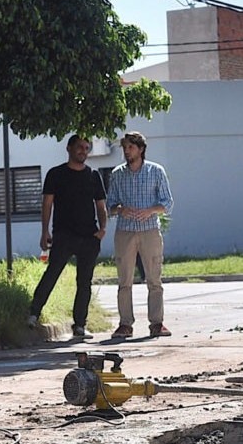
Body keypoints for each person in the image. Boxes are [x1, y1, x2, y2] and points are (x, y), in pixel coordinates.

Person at [27, 135, 108, 339]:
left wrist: (102, 230)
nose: (83, 150)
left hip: (89, 236)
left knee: (85, 282)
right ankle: (33, 314)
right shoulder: (56, 174)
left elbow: (101, 205)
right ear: (69, 148)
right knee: (52, 273)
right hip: (63, 235)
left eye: (87, 147)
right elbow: (47, 204)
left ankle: (80, 325)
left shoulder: (93, 176)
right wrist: (44, 231)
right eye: (79, 146)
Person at [106, 131, 173, 339]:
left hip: (149, 231)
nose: (126, 151)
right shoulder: (117, 174)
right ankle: (125, 324)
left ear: (141, 149)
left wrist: (150, 210)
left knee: (154, 278)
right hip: (125, 231)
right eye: (124, 147)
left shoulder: (156, 171)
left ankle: (157, 323)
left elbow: (167, 203)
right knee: (124, 279)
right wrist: (120, 209)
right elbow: (109, 205)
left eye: (130, 147)